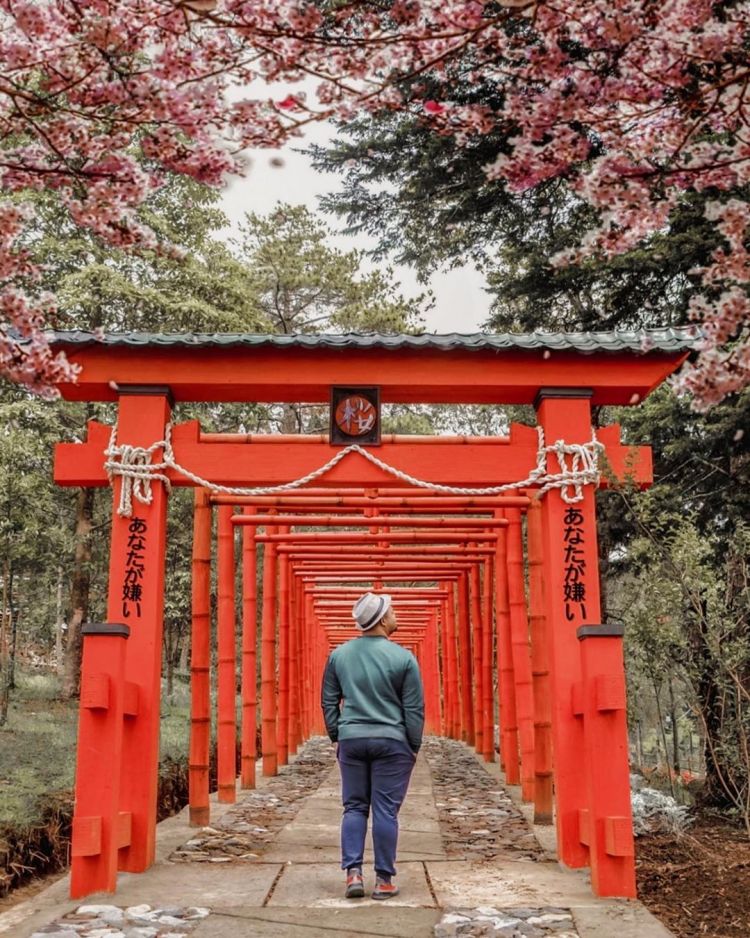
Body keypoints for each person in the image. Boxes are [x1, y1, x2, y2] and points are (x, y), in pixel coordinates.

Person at [321, 591, 424, 901]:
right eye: (392, 610)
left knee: (354, 806)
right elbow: (414, 710)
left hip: (352, 739)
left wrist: (337, 734)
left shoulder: (339, 655)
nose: (396, 614)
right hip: (392, 741)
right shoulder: (404, 658)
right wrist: (413, 746)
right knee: (385, 811)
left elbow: (328, 699)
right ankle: (383, 880)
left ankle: (353, 874)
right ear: (381, 619)